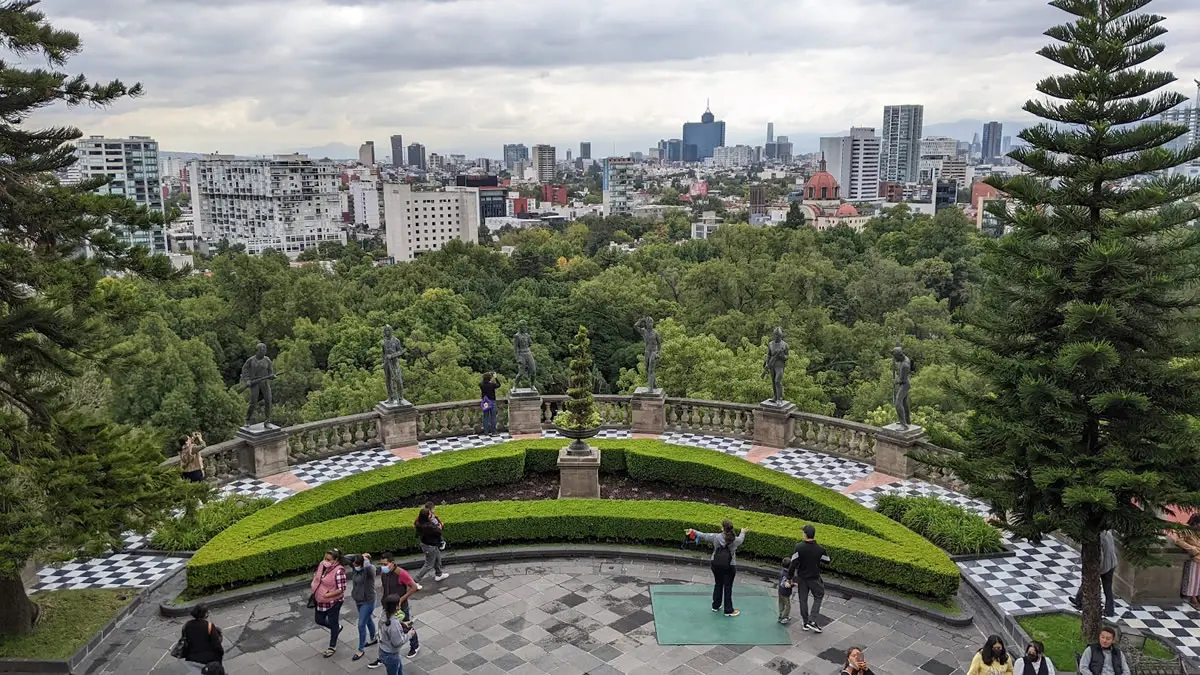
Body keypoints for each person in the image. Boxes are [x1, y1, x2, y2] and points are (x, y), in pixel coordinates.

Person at [686, 519, 747, 616]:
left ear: (722, 528)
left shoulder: (716, 537)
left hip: (716, 564)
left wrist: (693, 531)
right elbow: (741, 539)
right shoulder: (735, 540)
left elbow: (703, 535)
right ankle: (728, 610)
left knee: (718, 583)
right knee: (728, 587)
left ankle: (716, 605)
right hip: (730, 565)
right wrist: (743, 531)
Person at [371, 553, 420, 664]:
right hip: (387, 606)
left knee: (406, 626)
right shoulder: (384, 573)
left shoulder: (401, 573)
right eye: (381, 564)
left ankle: (415, 645)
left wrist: (400, 600)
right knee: (384, 628)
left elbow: (414, 587)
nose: (383, 566)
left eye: (385, 564)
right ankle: (383, 655)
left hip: (400, 607)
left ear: (392, 563)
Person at [787, 524, 830, 632]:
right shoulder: (820, 549)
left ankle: (805, 622)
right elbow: (827, 561)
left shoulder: (799, 547)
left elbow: (793, 564)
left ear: (805, 534)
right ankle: (813, 620)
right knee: (818, 596)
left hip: (802, 578)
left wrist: (789, 578)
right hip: (814, 578)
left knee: (803, 600)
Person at [1071, 529, 1117, 617]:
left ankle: (1079, 601)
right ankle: (1110, 611)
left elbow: (1100, 555)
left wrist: (1097, 569)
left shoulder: (1098, 537)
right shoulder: (1109, 533)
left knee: (1087, 581)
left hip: (1104, 566)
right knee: (1108, 590)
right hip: (1112, 563)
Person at [311, 549, 347, 658]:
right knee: (319, 620)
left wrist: (327, 595)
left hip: (333, 602)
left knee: (333, 621)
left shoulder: (339, 571)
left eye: (328, 559)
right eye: (325, 558)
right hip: (320, 600)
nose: (325, 561)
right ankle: (337, 628)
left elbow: (342, 589)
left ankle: (332, 646)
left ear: (335, 560)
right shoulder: (323, 565)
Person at [374, 594, 417, 675]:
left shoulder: (384, 615)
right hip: (391, 654)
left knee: (399, 670)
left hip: (384, 650)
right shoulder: (393, 624)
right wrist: (409, 634)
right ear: (397, 607)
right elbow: (397, 642)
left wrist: (402, 623)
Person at [179, 603, 224, 674]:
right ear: (205, 614)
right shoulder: (209, 626)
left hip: (192, 658)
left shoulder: (187, 624)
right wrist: (220, 653)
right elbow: (216, 645)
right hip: (208, 660)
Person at [350, 553, 379, 662]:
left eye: (357, 563)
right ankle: (373, 638)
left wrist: (365, 559)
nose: (354, 564)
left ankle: (360, 649)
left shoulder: (369, 571)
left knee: (361, 624)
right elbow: (346, 558)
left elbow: (368, 566)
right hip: (359, 600)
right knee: (368, 620)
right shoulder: (356, 570)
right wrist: (357, 556)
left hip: (368, 601)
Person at [413, 508, 448, 584]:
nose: (431, 515)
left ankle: (439, 574)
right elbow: (438, 532)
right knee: (429, 564)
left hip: (429, 544)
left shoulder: (419, 522)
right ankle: (415, 580)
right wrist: (440, 526)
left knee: (437, 559)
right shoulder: (428, 526)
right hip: (430, 546)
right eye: (429, 514)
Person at [1174, 514, 1200, 610]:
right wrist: (1193, 549)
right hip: (1195, 557)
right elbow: (1179, 541)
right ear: (1195, 523)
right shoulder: (1185, 529)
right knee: (1193, 579)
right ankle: (1193, 597)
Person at [776, 557, 793, 624]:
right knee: (788, 606)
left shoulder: (782, 572)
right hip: (785, 593)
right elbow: (784, 583)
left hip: (780, 591)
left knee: (781, 604)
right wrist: (792, 584)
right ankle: (784, 617)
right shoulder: (787, 574)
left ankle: (781, 615)